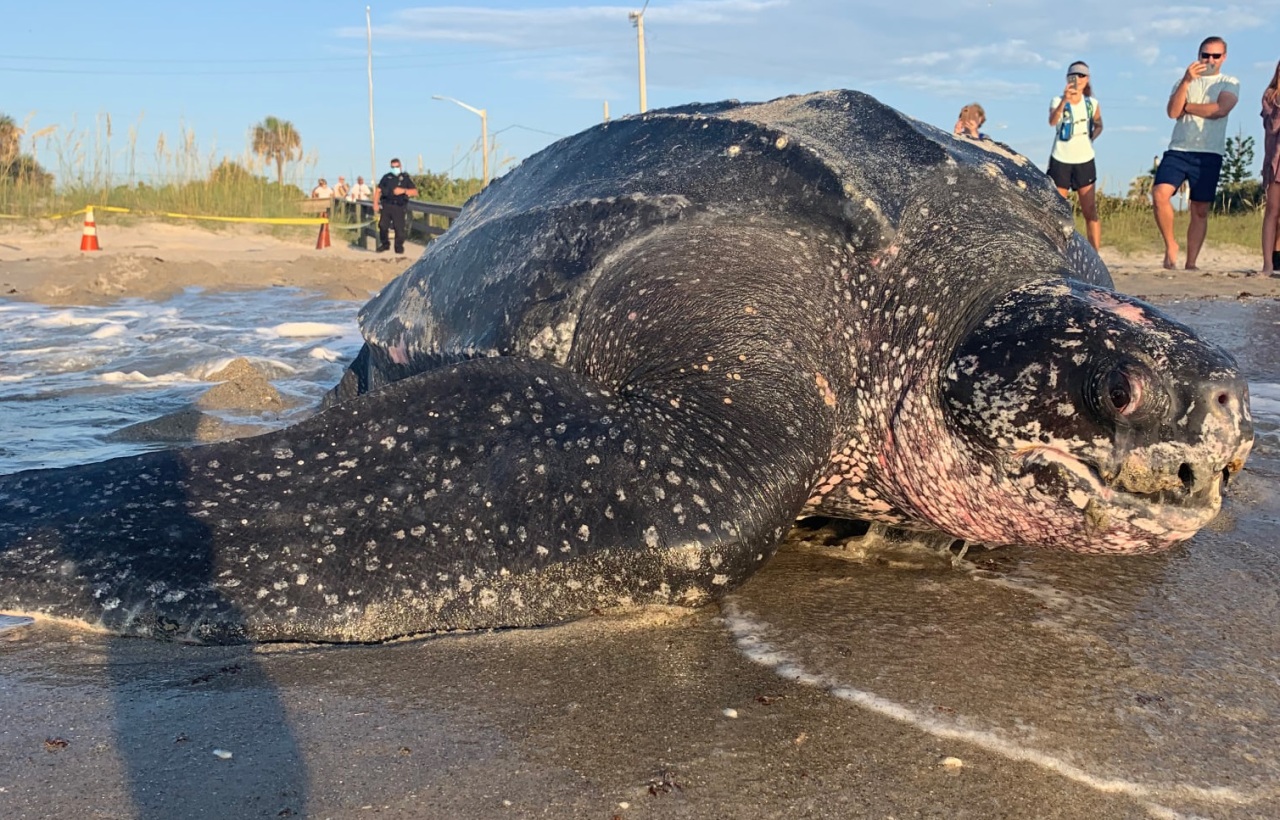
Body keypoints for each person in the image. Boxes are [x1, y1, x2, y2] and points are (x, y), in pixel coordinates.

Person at [1151, 36, 1240, 271]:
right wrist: (1187, 82)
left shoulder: (1229, 81)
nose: (1210, 60)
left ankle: (1191, 262)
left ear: (1224, 58)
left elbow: (1220, 109)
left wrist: (1187, 108)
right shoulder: (1183, 82)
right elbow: (1172, 112)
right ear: (1198, 55)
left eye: (1215, 56)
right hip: (1178, 148)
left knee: (1199, 209)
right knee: (1160, 194)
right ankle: (1171, 245)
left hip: (1209, 152)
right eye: (1205, 55)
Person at [1047, 61, 1104, 251]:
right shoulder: (1057, 101)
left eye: (1081, 76)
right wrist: (1065, 100)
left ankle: (1096, 252)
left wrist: (1090, 138)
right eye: (1073, 75)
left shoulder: (1092, 104)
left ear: (1087, 79)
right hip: (1061, 158)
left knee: (1090, 210)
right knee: (1058, 210)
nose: (1077, 79)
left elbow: (1099, 124)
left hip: (1084, 159)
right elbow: (1052, 121)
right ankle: (1057, 250)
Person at [375, 158, 418, 254]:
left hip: (399, 206)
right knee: (382, 225)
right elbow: (378, 190)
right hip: (387, 205)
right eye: (393, 167)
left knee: (399, 229)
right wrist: (375, 203)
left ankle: (398, 247)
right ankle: (385, 244)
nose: (395, 168)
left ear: (400, 166)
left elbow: (415, 192)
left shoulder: (405, 178)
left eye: (396, 167)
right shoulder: (386, 178)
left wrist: (403, 191)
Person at [1261, 60, 1280, 275]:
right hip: (1277, 160)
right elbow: (1272, 127)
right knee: (1272, 210)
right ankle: (1267, 264)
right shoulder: (1271, 95)